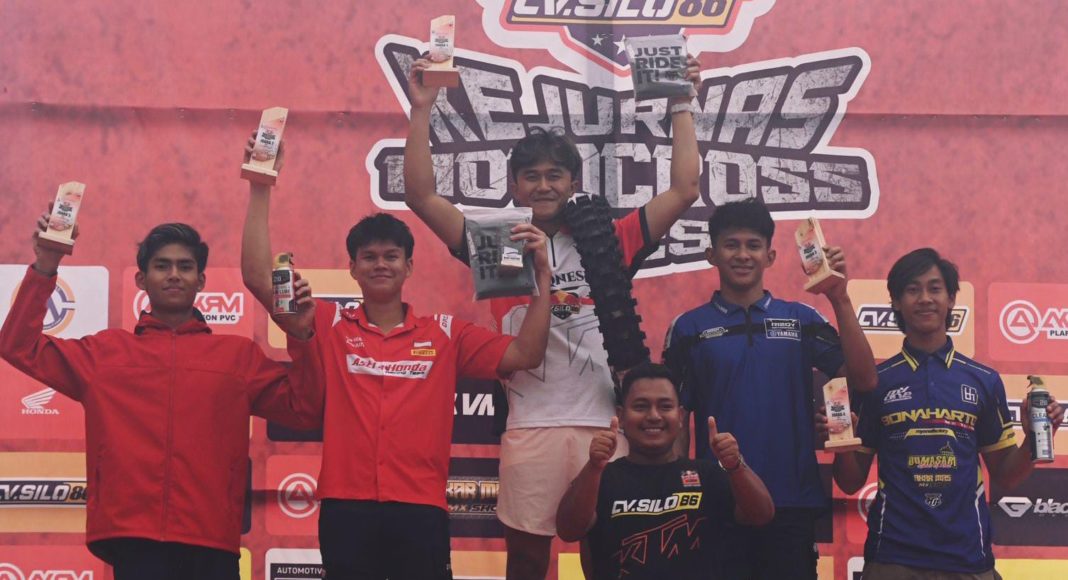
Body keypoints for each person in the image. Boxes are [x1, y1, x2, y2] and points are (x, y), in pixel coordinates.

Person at [402, 53, 704, 579]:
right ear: (515, 187)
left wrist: (681, 105)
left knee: (607, 558)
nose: (543, 186)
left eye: (554, 175)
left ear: (572, 182)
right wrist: (422, 107)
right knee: (526, 561)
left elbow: (684, 191)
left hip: (606, 421)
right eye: (531, 177)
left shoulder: (608, 239)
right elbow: (421, 197)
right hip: (530, 423)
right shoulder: (499, 244)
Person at [240, 136, 554, 579]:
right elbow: (258, 277)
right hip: (347, 508)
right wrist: (260, 183)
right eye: (368, 257)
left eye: (391, 256)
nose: (380, 264)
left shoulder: (445, 334)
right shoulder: (327, 322)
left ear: (409, 267)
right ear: (352, 269)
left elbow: (526, 353)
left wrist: (542, 280)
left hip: (420, 508)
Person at [0, 214, 321, 580]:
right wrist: (46, 264)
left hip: (211, 539)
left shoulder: (237, 357)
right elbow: (17, 345)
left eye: (185, 267)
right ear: (141, 280)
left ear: (201, 281)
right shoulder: (105, 354)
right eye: (162, 266)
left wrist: (301, 336)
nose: (174, 275)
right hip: (133, 539)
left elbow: (305, 409)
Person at [663, 198, 878, 579]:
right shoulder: (688, 328)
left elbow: (864, 380)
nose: (742, 255)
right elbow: (677, 420)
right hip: (718, 503)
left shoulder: (801, 319)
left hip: (790, 501)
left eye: (753, 245)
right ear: (712, 255)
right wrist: (678, 497)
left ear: (771, 256)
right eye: (731, 245)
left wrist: (839, 296)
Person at [826, 248, 1064, 580]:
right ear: (896, 302)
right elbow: (850, 482)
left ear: (951, 299)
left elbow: (1007, 475)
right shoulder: (876, 383)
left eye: (935, 288)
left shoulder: (984, 380)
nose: (925, 298)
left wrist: (1034, 440)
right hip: (893, 558)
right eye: (913, 289)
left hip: (968, 559)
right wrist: (842, 443)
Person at [555, 362, 774, 579]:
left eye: (665, 406)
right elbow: (568, 530)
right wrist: (593, 467)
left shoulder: (708, 475)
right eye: (641, 406)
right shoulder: (601, 478)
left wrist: (736, 466)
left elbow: (762, 515)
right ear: (620, 416)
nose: (654, 416)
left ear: (680, 417)